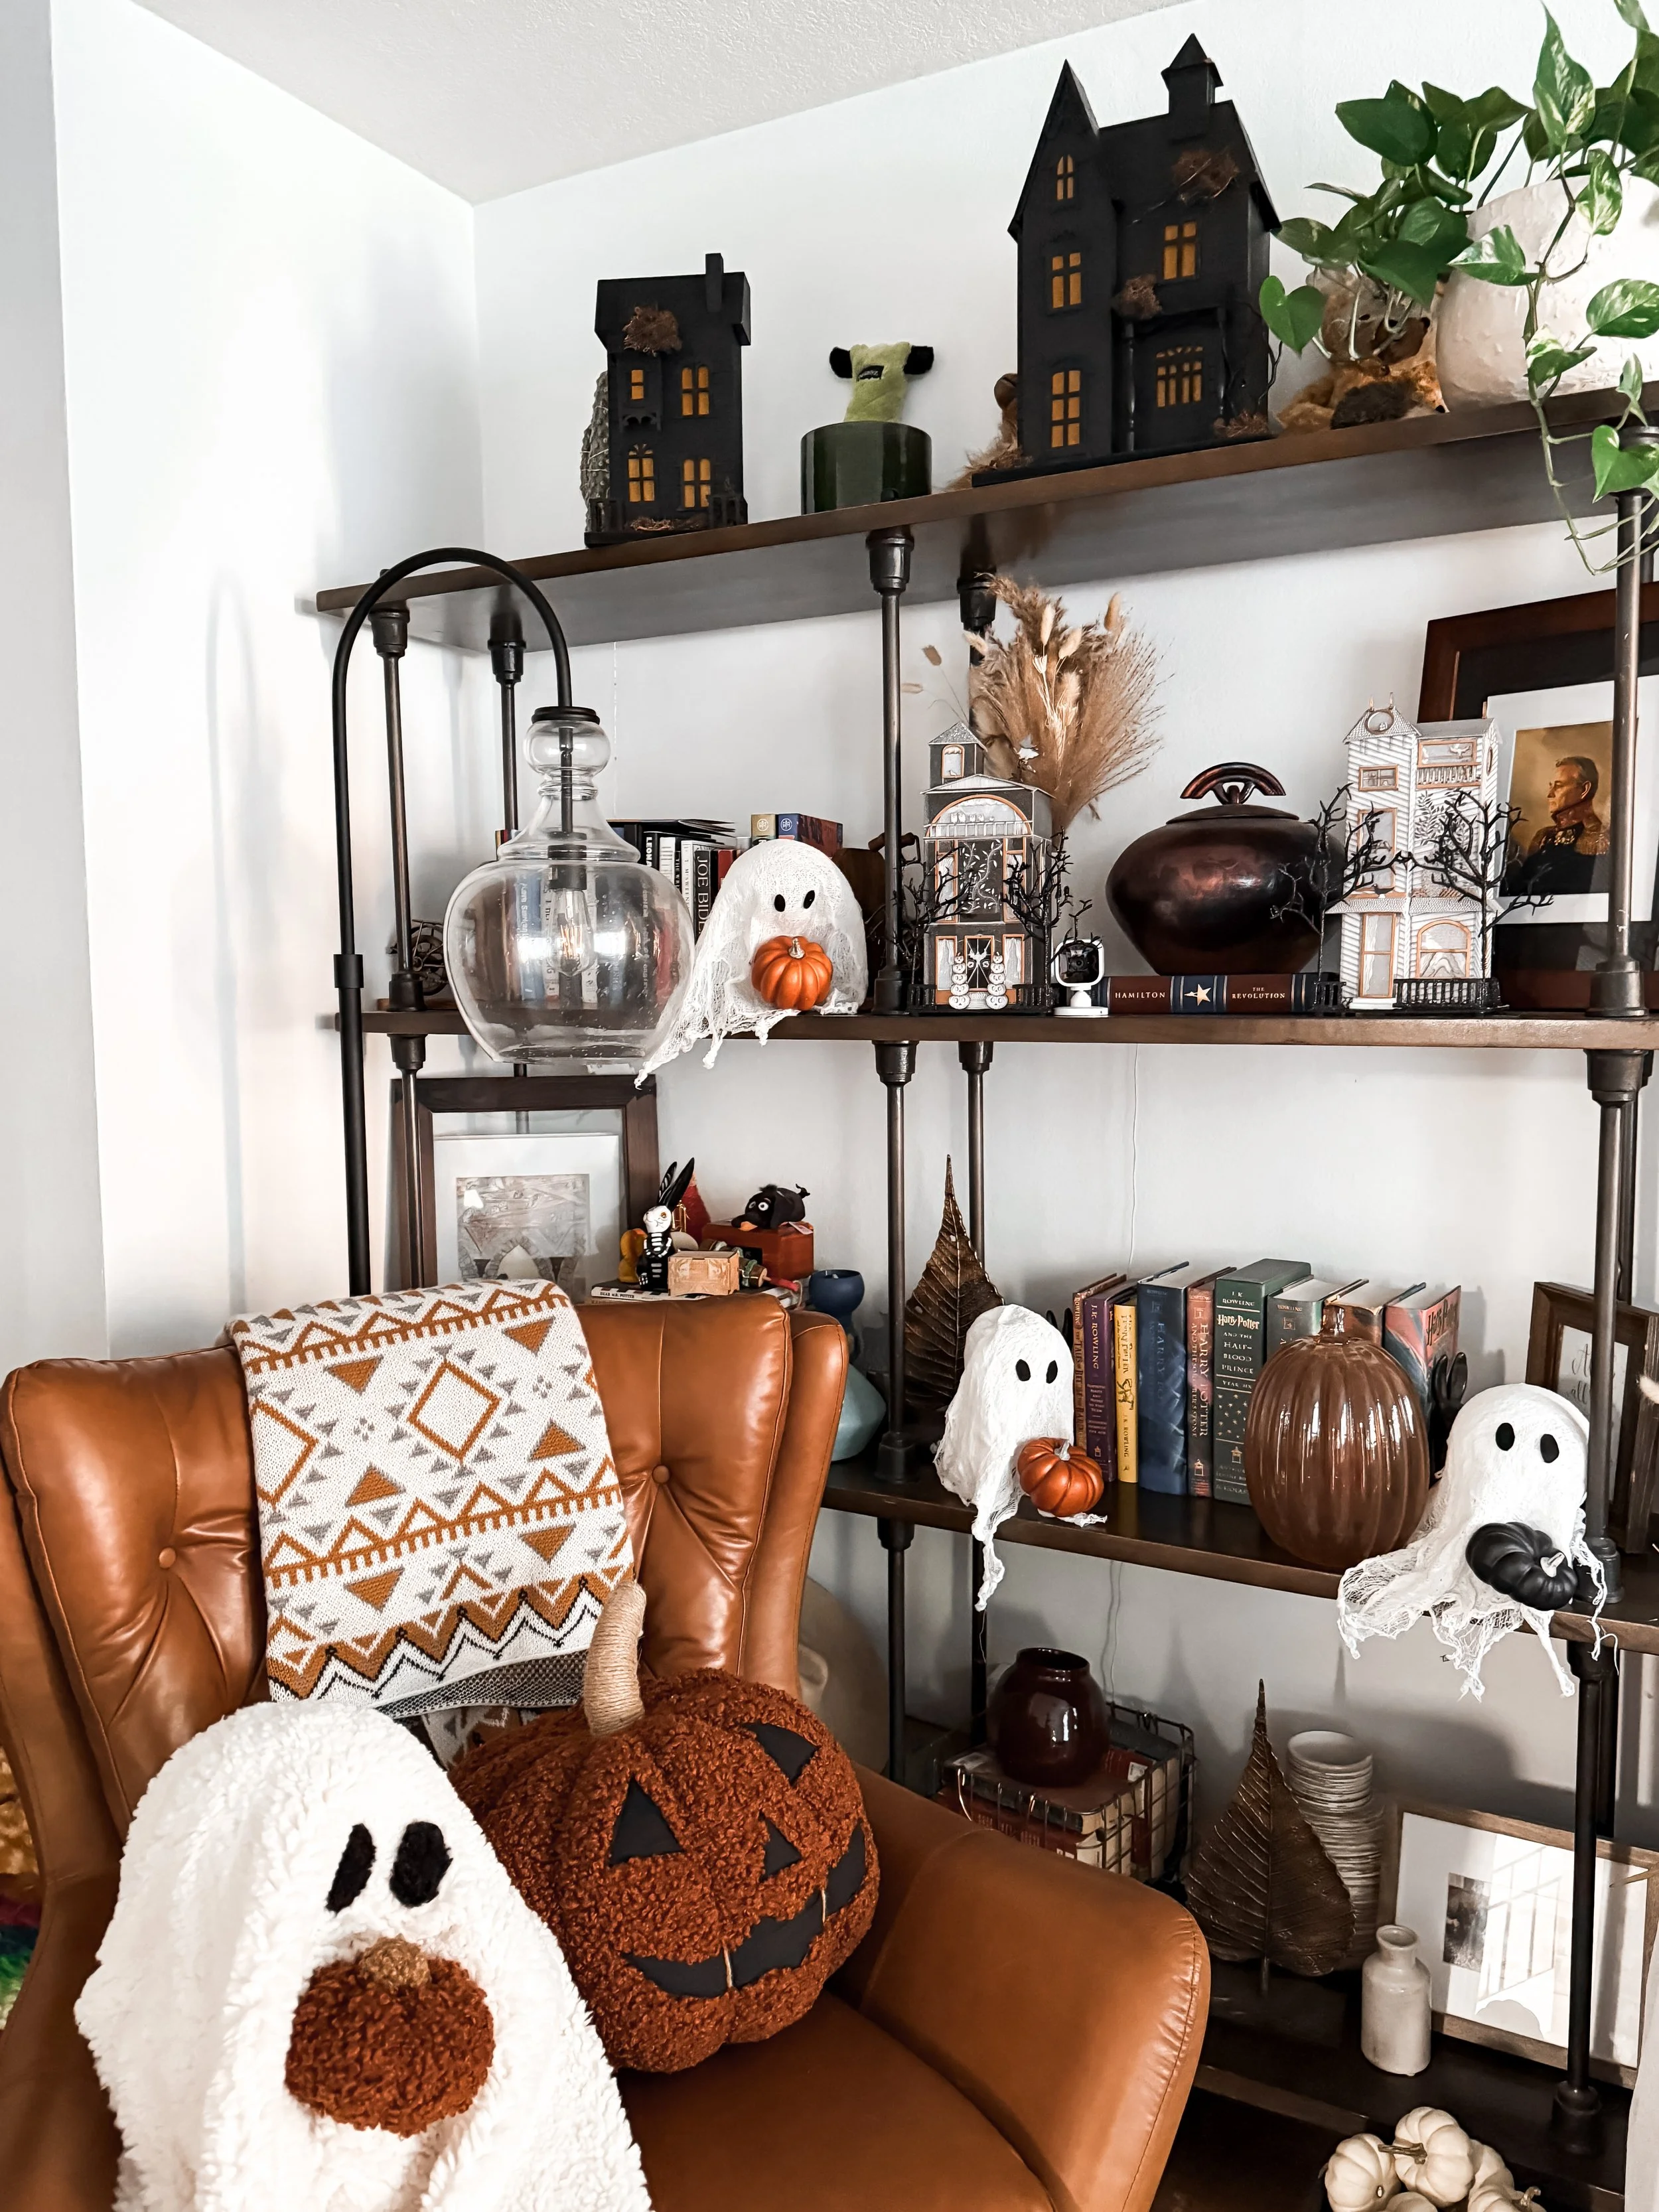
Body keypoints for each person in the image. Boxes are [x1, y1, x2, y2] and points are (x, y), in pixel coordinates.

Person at [1506, 753, 1609, 895]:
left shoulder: (1603, 838)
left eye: (1558, 786)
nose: (1550, 794)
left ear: (1584, 790)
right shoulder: (1543, 836)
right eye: (1550, 786)